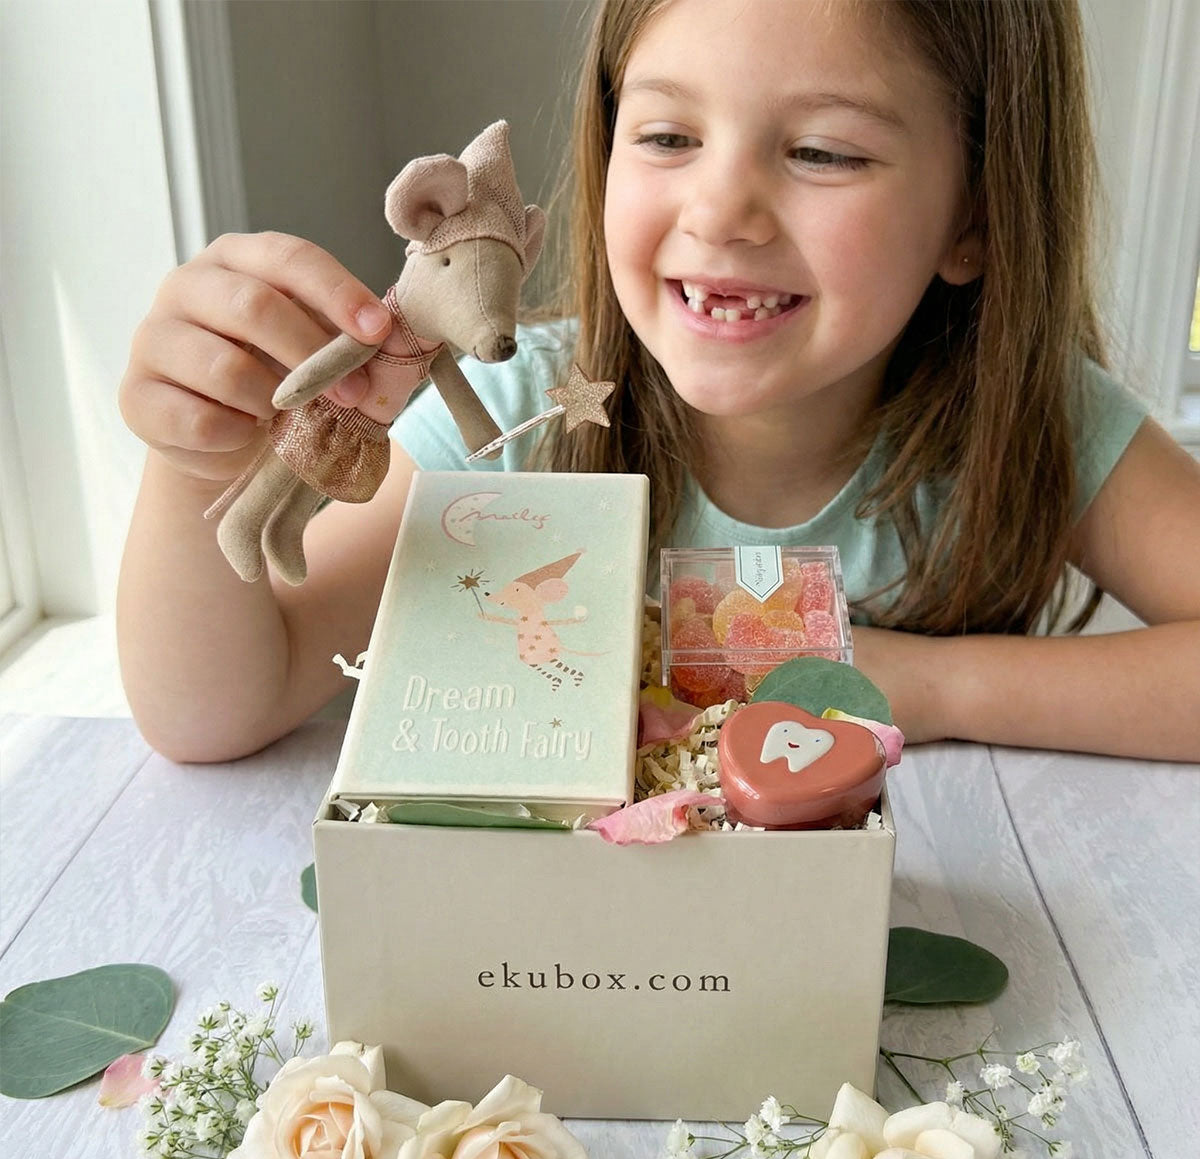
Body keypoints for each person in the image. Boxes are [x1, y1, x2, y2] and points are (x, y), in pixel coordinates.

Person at [117, 0, 1200, 764]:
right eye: (669, 135)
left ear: (974, 214)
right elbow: (214, 712)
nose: (720, 211)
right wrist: (192, 459)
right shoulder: (515, 422)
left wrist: (936, 684)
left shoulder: (1032, 418)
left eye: (824, 152)